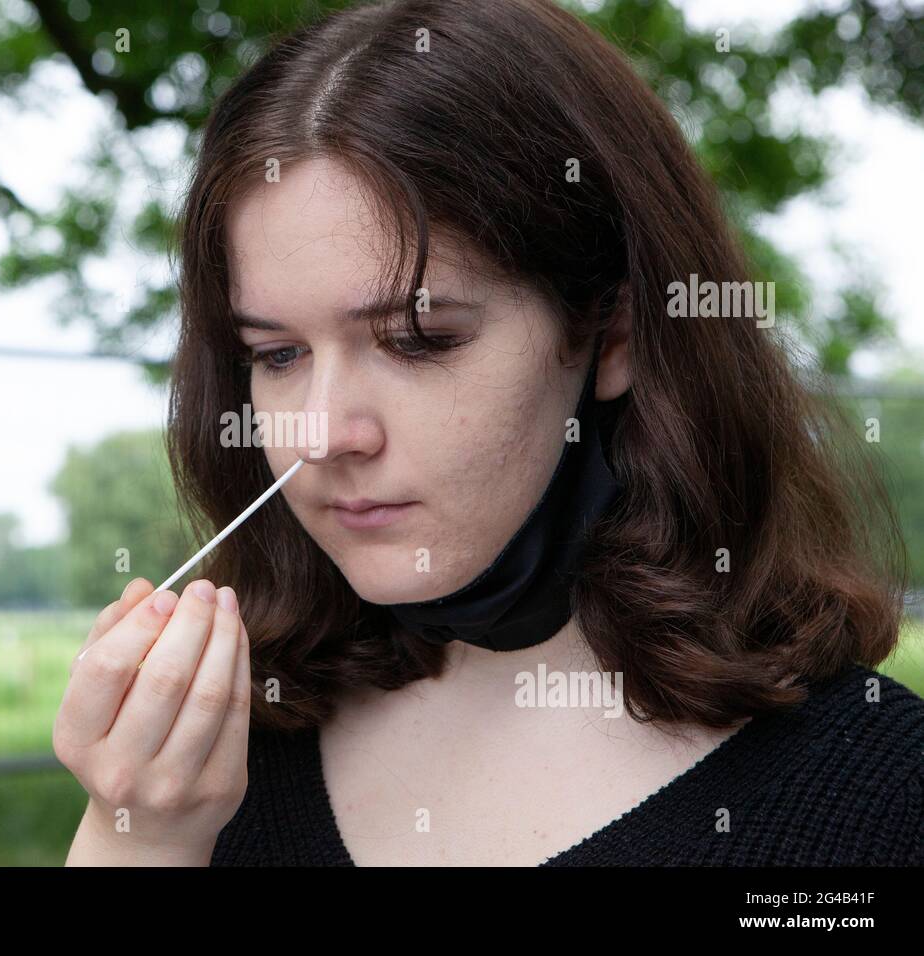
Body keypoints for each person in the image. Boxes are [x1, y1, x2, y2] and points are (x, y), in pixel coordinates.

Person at [55, 0, 924, 866]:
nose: (322, 436)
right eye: (277, 353)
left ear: (612, 333)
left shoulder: (878, 799)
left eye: (418, 340)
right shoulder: (209, 769)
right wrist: (140, 838)